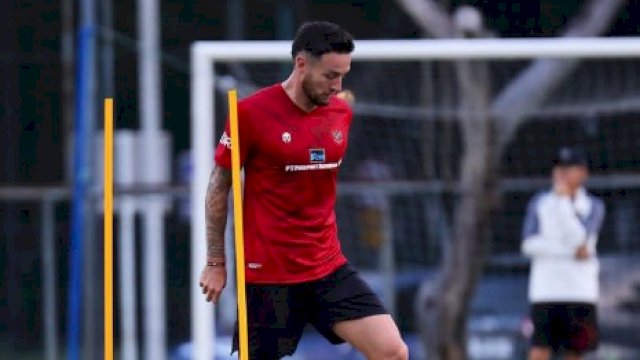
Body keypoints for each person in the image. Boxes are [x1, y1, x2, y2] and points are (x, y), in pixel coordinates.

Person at [199, 21, 409, 360]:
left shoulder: (341, 112)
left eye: (343, 75)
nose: (337, 86)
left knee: (393, 351)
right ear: (301, 64)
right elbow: (218, 188)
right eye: (329, 75)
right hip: (268, 276)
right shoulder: (250, 113)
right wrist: (215, 261)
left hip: (327, 267)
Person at [521, 146, 605, 360]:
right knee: (539, 351)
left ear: (583, 173)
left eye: (569, 168)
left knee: (575, 353)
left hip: (580, 293)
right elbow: (529, 244)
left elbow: (581, 239)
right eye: (559, 168)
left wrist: (563, 204)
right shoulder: (539, 203)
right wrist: (567, 251)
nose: (562, 173)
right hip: (546, 292)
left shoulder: (593, 205)